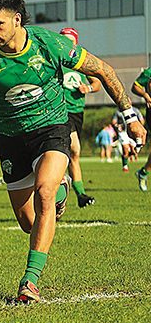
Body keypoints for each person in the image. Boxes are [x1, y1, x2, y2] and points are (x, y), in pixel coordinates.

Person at [0, 0, 145, 303]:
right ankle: (60, 192)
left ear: (17, 19)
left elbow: (103, 70)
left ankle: (29, 281)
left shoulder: (50, 44)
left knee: (44, 193)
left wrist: (130, 116)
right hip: (11, 138)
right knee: (27, 221)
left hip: (51, 128)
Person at [58, 28, 101, 207]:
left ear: (75, 42)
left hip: (78, 112)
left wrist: (88, 89)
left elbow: (97, 82)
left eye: (70, 40)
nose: (66, 43)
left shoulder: (81, 61)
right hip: (61, 111)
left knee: (75, 154)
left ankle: (80, 194)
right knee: (72, 148)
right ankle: (61, 190)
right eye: (63, 40)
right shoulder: (56, 60)